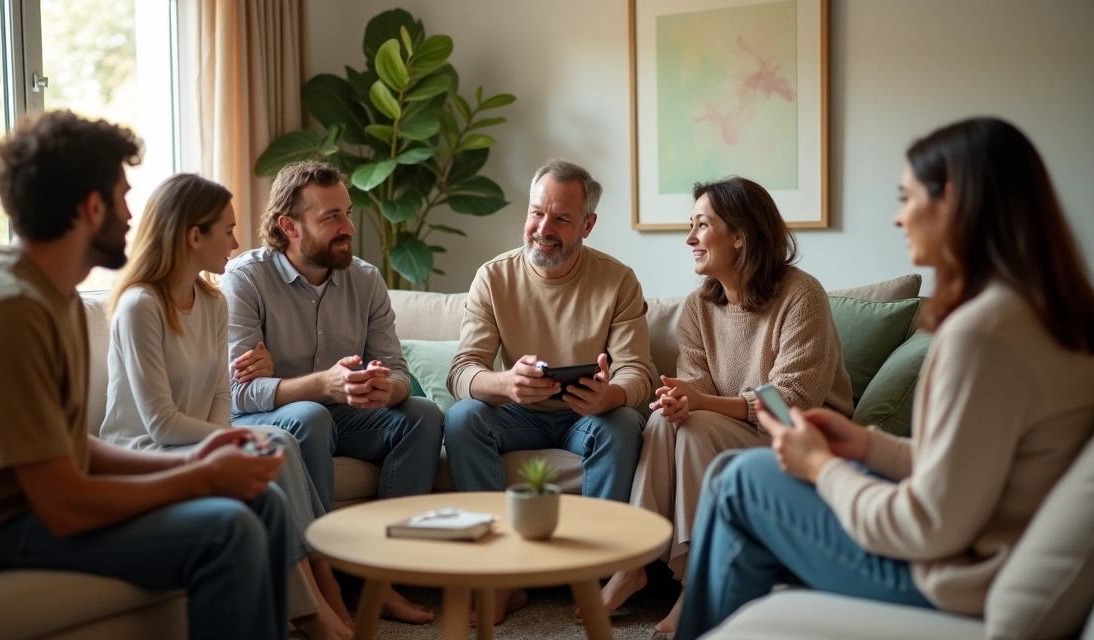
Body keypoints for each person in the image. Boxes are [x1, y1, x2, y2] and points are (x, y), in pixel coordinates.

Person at [674, 118, 1094, 639]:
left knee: (739, 481)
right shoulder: (1046, 317)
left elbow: (926, 523)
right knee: (731, 477)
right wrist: (868, 446)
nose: (898, 218)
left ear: (956, 202)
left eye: (906, 197)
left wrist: (822, 468)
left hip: (956, 577)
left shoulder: (982, 335)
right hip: (970, 547)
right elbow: (973, 468)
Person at [0, 110, 297, 639]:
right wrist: (198, 478)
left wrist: (200, 455)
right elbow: (62, 505)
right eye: (123, 197)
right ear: (91, 207)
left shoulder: (46, 291)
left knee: (262, 502)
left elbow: (73, 448)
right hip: (3, 527)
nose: (132, 214)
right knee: (229, 530)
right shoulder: (8, 310)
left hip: (34, 506)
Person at [99, 173, 353, 639]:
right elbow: (158, 423)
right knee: (273, 439)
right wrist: (233, 440)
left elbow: (220, 395)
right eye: (228, 230)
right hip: (142, 449)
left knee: (272, 452)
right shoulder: (141, 305)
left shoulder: (213, 301)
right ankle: (316, 603)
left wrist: (226, 444)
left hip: (195, 442)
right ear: (194, 235)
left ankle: (321, 594)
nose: (237, 242)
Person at [595, 177, 853, 634]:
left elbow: (792, 399)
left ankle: (697, 588)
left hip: (800, 436)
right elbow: (693, 385)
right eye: (690, 225)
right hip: (737, 428)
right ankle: (633, 563)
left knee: (696, 427)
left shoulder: (801, 296)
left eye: (701, 225)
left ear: (741, 235)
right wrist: (679, 400)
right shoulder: (699, 306)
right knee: (662, 422)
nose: (690, 239)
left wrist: (699, 403)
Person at [221, 158, 441, 625]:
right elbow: (235, 394)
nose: (348, 227)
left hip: (344, 414)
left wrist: (386, 388)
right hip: (270, 421)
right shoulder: (246, 279)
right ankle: (326, 586)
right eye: (331, 217)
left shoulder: (365, 280)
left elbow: (398, 370)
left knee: (422, 414)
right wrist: (323, 385)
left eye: (347, 212)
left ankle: (380, 579)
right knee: (310, 415)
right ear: (289, 226)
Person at [444, 159, 656, 625]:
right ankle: (497, 576)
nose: (544, 228)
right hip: (519, 414)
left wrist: (611, 397)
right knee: (462, 419)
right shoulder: (493, 277)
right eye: (537, 213)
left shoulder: (618, 280)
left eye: (561, 218)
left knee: (622, 423)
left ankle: (597, 571)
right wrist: (504, 383)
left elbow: (638, 372)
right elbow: (462, 372)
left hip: (589, 419)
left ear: (588, 224)